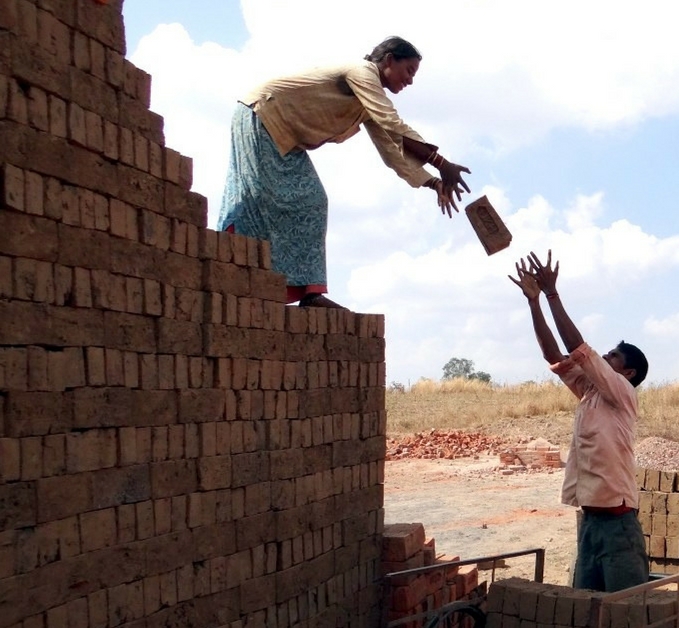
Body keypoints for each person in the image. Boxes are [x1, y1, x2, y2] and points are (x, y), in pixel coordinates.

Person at [217, 36, 471, 309]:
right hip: (262, 115)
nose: (410, 81)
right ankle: (226, 265)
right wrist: (441, 163)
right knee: (256, 197)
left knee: (313, 201)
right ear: (388, 60)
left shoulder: (368, 101)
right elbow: (392, 121)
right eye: (408, 70)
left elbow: (392, 148)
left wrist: (433, 182)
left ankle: (309, 293)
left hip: (287, 137)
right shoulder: (361, 73)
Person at [508, 250, 650, 592]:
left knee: (625, 608)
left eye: (613, 356)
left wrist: (553, 294)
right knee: (585, 604)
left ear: (627, 372)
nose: (604, 355)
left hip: (618, 523)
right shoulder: (589, 392)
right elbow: (554, 355)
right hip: (590, 520)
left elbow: (577, 346)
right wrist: (534, 302)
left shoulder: (622, 393)